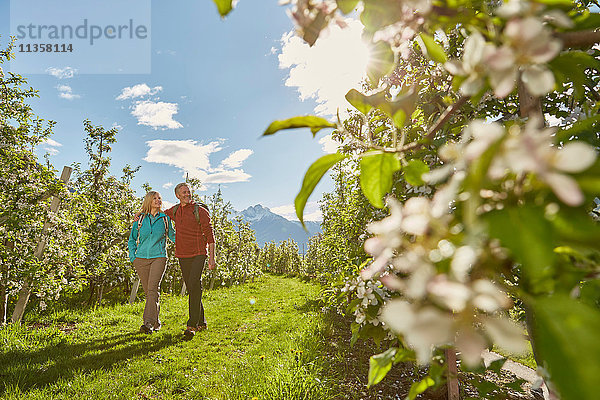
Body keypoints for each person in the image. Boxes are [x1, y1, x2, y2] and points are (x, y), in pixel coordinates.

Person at [165, 183, 216, 339]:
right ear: (177, 195)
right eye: (184, 192)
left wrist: (212, 258)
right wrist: (140, 214)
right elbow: (158, 213)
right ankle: (202, 322)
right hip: (182, 255)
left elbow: (210, 236)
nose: (187, 194)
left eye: (189, 192)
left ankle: (192, 325)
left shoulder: (200, 211)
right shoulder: (174, 211)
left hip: (199, 254)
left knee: (193, 284)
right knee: (193, 287)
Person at [128, 191, 175, 334]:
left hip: (158, 257)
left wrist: (189, 243)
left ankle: (147, 323)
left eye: (159, 198)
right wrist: (133, 257)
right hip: (141, 259)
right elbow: (132, 239)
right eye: (154, 198)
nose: (158, 200)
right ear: (149, 201)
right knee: (151, 292)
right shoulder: (140, 219)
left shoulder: (165, 218)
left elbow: (173, 236)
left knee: (152, 289)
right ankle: (156, 322)